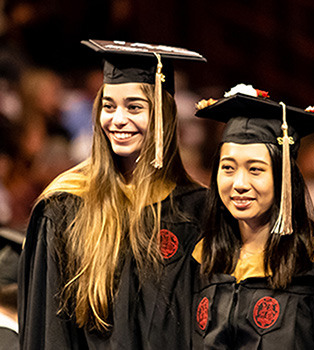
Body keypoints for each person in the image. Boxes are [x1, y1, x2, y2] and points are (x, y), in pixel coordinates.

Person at [18, 40, 207, 349]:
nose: (118, 119)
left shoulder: (195, 209)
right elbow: (49, 332)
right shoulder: (66, 205)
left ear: (164, 117)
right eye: (108, 106)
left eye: (134, 107)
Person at [190, 85, 314, 348]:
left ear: (284, 179)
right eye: (228, 168)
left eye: (255, 169)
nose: (239, 183)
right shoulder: (204, 258)